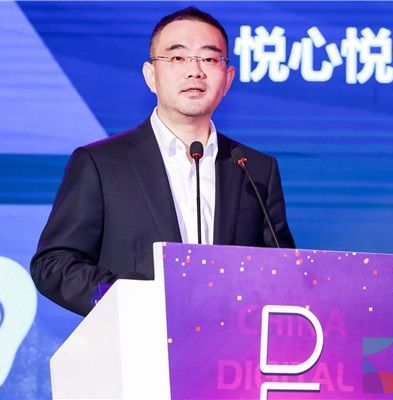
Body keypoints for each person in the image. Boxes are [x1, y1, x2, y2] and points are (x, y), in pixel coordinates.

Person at [30, 7, 294, 316]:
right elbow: (54, 264)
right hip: (136, 338)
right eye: (178, 58)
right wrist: (131, 301)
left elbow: (283, 272)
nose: (195, 71)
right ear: (151, 76)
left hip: (229, 342)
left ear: (228, 79)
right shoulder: (101, 164)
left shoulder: (253, 168)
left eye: (209, 59)